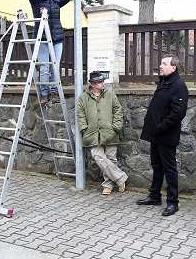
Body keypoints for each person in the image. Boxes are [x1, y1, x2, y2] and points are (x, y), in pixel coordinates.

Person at [136, 54, 188, 216]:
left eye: (164, 64)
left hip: (166, 135)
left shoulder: (178, 85)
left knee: (169, 168)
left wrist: (161, 126)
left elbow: (178, 112)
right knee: (157, 165)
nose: (160, 66)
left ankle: (173, 202)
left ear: (173, 67)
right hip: (156, 134)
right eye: (161, 63)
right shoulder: (165, 82)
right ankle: (154, 196)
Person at [77, 71, 128, 195]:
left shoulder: (110, 94)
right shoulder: (84, 97)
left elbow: (118, 110)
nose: (103, 84)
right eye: (100, 82)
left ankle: (108, 185)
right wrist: (84, 128)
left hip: (110, 132)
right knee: (98, 157)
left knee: (111, 159)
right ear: (93, 84)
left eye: (103, 81)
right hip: (92, 134)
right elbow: (80, 114)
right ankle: (120, 178)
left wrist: (116, 126)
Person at [28, 0, 74, 104]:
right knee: (44, 67)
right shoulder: (36, 0)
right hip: (42, 38)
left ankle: (54, 93)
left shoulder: (56, 1)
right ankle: (44, 94)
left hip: (57, 38)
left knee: (55, 66)